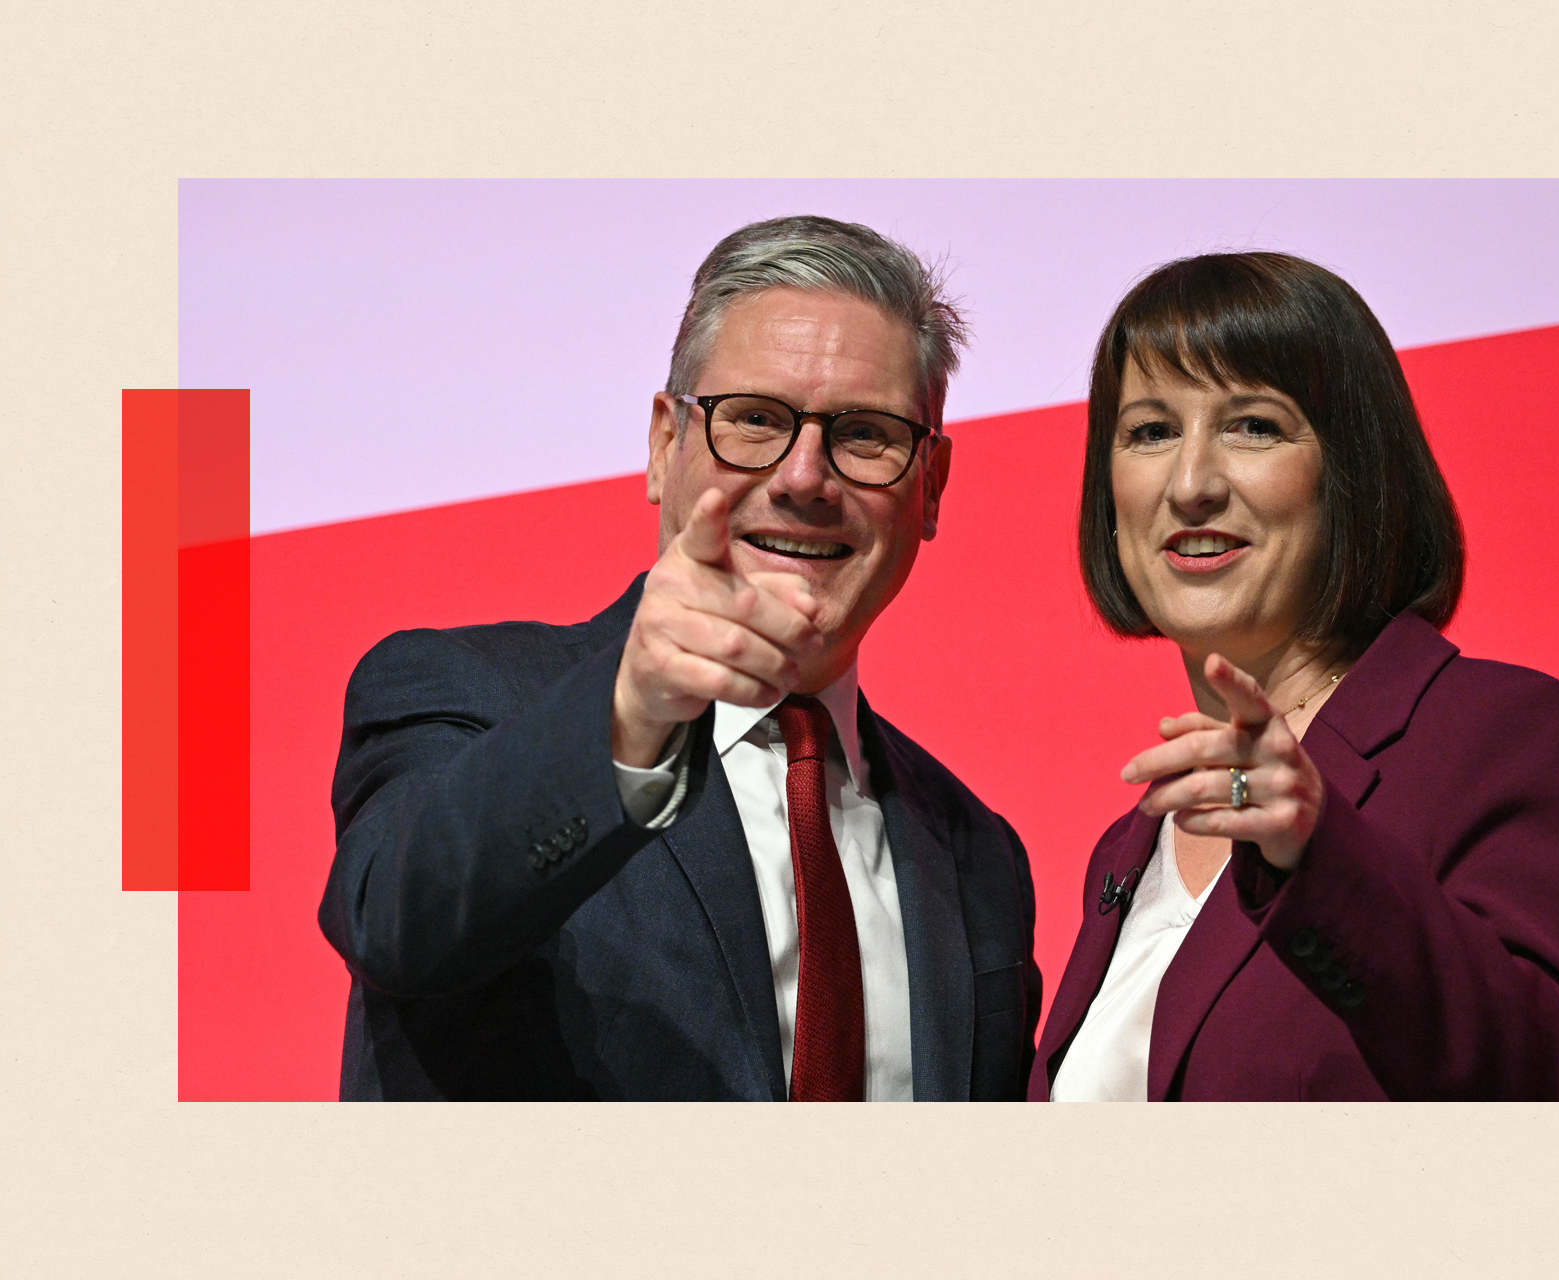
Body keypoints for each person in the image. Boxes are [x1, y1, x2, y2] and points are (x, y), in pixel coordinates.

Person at [320, 215, 1042, 1101]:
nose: (804, 477)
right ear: (665, 445)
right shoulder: (465, 697)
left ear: (930, 485)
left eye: (864, 435)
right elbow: (399, 923)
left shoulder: (979, 857)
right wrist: (630, 719)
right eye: (753, 420)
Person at [1031, 252, 1559, 1101]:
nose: (1190, 484)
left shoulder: (1510, 737)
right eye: (1150, 431)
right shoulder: (1132, 843)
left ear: (1352, 472)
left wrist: (1320, 856)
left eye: (1253, 426)